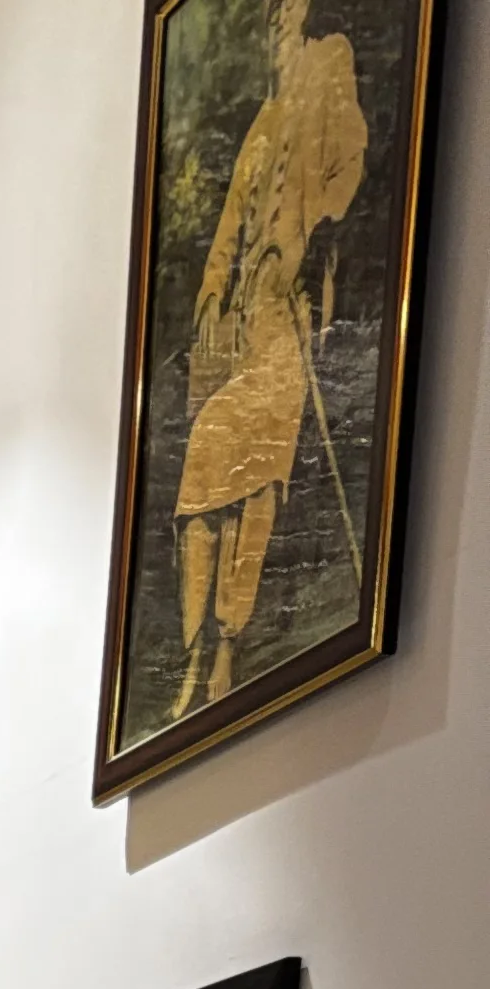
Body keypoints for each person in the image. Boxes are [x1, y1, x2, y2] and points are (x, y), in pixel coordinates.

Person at [169, 0, 368, 719]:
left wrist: (307, 238)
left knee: (257, 485)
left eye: (287, 9)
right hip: (244, 327)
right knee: (203, 478)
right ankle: (190, 653)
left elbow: (349, 169)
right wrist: (215, 287)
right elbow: (226, 229)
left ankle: (229, 646)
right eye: (270, 14)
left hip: (290, 320)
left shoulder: (330, 61)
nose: (278, 20)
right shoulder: (260, 122)